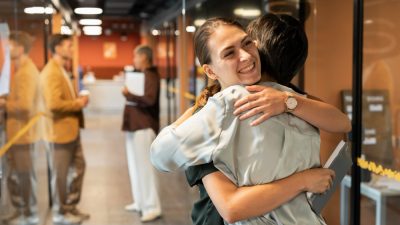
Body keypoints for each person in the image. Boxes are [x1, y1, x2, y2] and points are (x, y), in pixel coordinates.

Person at [151, 16, 350, 225]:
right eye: (229, 52)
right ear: (210, 70)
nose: (245, 56)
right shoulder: (217, 113)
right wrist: (303, 181)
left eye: (247, 43)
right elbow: (230, 207)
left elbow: (160, 154)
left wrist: (286, 101)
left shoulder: (287, 100)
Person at [41, 34, 89, 224]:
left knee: (79, 168)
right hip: (59, 134)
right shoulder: (51, 72)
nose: (72, 49)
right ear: (58, 48)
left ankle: (70, 206)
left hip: (71, 130)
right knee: (60, 175)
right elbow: (53, 104)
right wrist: (79, 103)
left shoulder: (61, 69)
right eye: (69, 46)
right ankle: (60, 213)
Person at [3, 31, 40, 225]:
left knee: (24, 176)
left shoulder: (26, 72)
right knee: (17, 175)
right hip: (16, 135)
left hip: (23, 135)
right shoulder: (20, 69)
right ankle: (21, 211)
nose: (6, 49)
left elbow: (24, 106)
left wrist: (3, 104)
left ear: (20, 48)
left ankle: (30, 214)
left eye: (9, 45)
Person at [122, 45, 162, 222]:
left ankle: (152, 206)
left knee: (145, 169)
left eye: (136, 57)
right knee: (134, 166)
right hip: (133, 125)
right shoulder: (141, 75)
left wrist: (129, 94)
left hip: (144, 126)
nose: (134, 60)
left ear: (144, 58)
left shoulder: (151, 75)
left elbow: (149, 99)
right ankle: (140, 202)